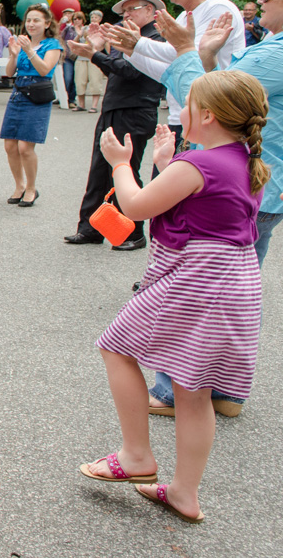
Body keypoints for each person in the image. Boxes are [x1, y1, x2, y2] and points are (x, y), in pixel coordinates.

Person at [80, 70, 268, 525]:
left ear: (207, 115)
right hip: (235, 281)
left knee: (116, 346)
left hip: (200, 279)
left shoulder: (198, 164)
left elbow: (138, 206)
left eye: (186, 104)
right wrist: (168, 164)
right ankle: (184, 492)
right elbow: (205, 204)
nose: (178, 112)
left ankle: (136, 453)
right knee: (194, 389)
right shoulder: (243, 160)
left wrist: (121, 163)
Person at [108, 0, 283, 418]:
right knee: (236, 295)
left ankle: (180, 388)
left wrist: (122, 165)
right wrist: (169, 50)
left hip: (236, 197)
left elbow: (203, 96)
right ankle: (223, 390)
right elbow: (193, 84)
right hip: (259, 179)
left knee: (203, 306)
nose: (259, 1)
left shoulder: (268, 53)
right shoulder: (231, 158)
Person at [63, 0, 167, 251]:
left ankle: (132, 232)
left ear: (150, 11)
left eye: (132, 8)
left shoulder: (154, 39)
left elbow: (130, 72)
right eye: (124, 10)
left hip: (135, 110)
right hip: (116, 107)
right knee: (100, 169)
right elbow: (117, 70)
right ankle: (91, 228)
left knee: (125, 170)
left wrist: (95, 54)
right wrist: (98, 51)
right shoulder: (128, 38)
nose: (126, 14)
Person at [119, 0, 245, 145]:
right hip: (182, 118)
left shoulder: (219, 8)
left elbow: (188, 55)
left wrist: (138, 44)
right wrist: (130, 52)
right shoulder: (184, 17)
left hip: (211, 120)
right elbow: (169, 73)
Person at [0, 3, 62, 207]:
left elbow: (45, 70)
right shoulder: (22, 45)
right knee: (10, 145)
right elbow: (9, 72)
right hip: (18, 93)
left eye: (36, 20)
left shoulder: (52, 45)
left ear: (47, 23)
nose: (31, 24)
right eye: (29, 20)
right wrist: (14, 54)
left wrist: (29, 50)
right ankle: (19, 185)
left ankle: (31, 188)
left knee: (26, 146)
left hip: (37, 95)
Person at [75, 11, 108, 113]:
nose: (93, 19)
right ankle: (81, 104)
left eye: (96, 17)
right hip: (81, 58)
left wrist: (109, 56)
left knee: (95, 81)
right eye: (92, 17)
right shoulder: (84, 28)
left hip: (94, 57)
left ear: (100, 19)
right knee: (80, 81)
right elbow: (75, 42)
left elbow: (105, 44)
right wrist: (80, 34)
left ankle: (94, 105)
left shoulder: (102, 30)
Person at [60, 12, 81, 109]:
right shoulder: (68, 28)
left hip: (79, 57)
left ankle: (72, 100)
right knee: (68, 78)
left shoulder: (85, 29)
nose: (77, 21)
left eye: (79, 19)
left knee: (76, 80)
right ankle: (65, 98)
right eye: (75, 19)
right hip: (68, 56)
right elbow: (60, 37)